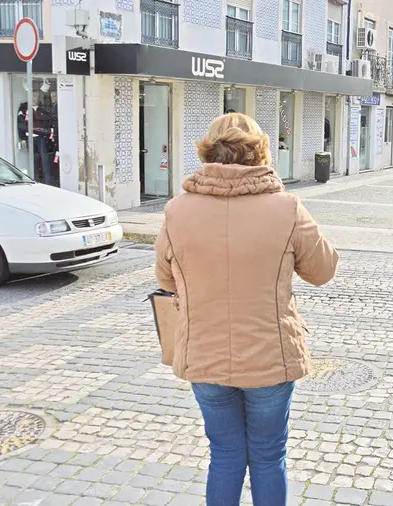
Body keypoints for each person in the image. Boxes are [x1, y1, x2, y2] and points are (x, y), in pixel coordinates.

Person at [155, 113, 338, 506]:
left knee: (224, 455)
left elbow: (166, 280)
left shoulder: (177, 211)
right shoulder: (287, 208)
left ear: (208, 151)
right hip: (270, 358)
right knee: (269, 456)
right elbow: (323, 271)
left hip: (204, 355)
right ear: (260, 153)